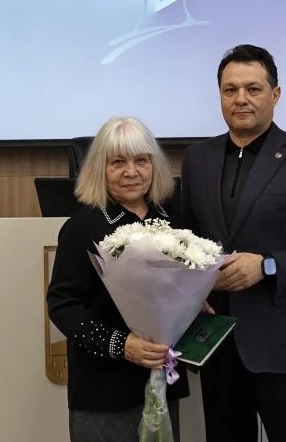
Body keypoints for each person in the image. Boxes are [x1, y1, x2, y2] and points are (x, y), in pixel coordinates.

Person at [180, 44, 286, 442]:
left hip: (283, 345)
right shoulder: (197, 159)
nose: (241, 98)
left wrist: (266, 266)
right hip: (215, 340)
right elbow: (185, 241)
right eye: (230, 89)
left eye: (253, 89)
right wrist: (189, 292)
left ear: (275, 94)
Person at [47, 116, 187, 442]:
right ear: (100, 169)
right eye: (118, 163)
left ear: (154, 166)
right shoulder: (82, 227)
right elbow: (63, 305)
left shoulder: (174, 221)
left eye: (141, 161)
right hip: (104, 389)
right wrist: (121, 345)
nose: (131, 172)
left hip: (163, 380)